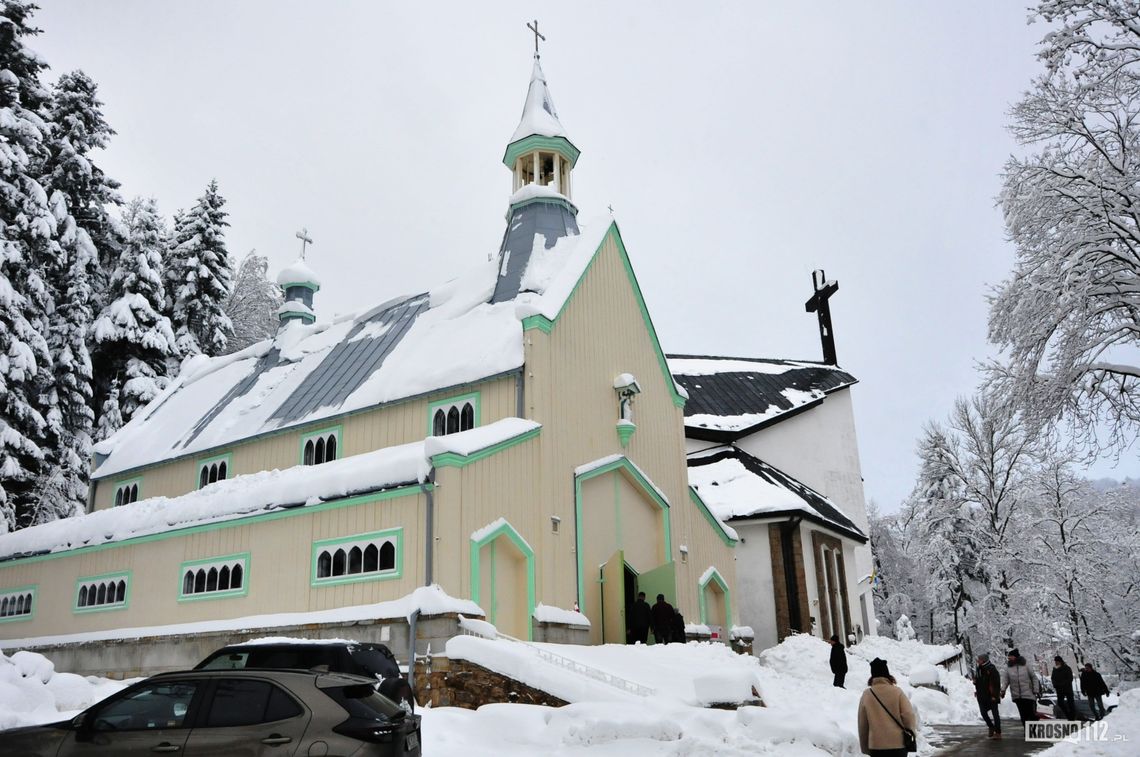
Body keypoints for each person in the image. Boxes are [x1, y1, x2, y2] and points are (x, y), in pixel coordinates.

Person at [857, 657, 917, 757]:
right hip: (898, 744)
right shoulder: (897, 692)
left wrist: (865, 748)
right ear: (887, 675)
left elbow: (863, 724)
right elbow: (908, 715)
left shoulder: (866, 695)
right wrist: (911, 733)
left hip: (876, 746)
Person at [1000, 649, 1040, 727]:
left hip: (1028, 694)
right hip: (1017, 695)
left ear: (1015, 657)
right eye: (1008, 657)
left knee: (1030, 713)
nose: (1009, 658)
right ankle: (1027, 730)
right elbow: (1005, 680)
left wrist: (1036, 689)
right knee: (1023, 715)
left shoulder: (1026, 665)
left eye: (1010, 656)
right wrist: (1003, 689)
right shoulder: (1008, 668)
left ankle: (1033, 725)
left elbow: (1034, 677)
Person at [974, 654, 1002, 739]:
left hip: (991, 696)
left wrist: (994, 695)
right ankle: (991, 726)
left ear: (983, 660)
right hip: (981, 696)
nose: (977, 661)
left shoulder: (991, 669)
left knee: (995, 714)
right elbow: (979, 681)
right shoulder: (978, 669)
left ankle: (998, 732)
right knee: (983, 713)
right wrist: (976, 683)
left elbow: (996, 684)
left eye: (979, 659)